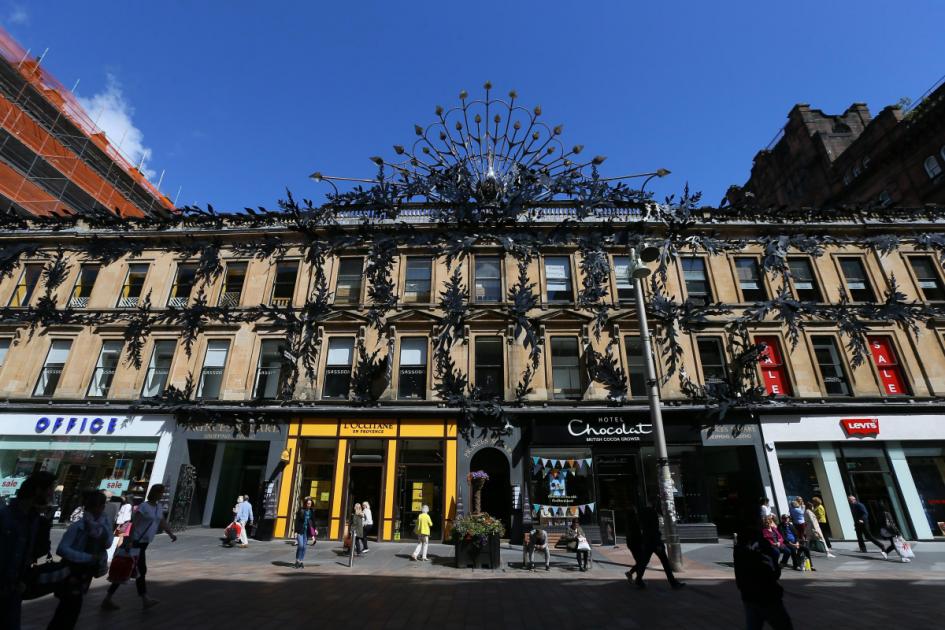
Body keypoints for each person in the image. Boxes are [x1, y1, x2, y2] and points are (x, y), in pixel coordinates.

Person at [101, 484, 177, 611]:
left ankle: (109, 598)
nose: (162, 495)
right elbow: (134, 523)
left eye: (162, 492)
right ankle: (143, 599)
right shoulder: (144, 506)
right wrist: (129, 539)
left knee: (130, 570)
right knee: (138, 570)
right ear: (154, 493)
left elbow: (162, 522)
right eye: (160, 492)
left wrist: (171, 533)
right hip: (136, 542)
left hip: (144, 543)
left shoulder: (158, 507)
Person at [47, 490, 113, 630]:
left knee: (70, 607)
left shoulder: (103, 525)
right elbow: (62, 549)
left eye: (100, 506)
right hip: (72, 570)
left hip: (87, 571)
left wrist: (105, 530)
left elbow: (107, 544)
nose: (99, 509)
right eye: (97, 506)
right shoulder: (79, 526)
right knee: (70, 607)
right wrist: (88, 557)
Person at [0, 471, 56, 630]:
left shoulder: (35, 520)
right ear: (38, 491)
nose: (52, 494)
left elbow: (38, 551)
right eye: (50, 490)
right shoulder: (4, 515)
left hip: (14, 588)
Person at [734, 510, 794, 630]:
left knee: (753, 625)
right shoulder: (761, 543)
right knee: (783, 625)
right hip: (766, 595)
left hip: (748, 594)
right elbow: (772, 570)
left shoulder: (739, 547)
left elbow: (739, 573)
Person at [633, 501, 685, 589]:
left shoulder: (642, 514)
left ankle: (638, 579)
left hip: (647, 541)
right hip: (655, 542)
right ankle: (673, 583)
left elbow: (644, 528)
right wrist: (658, 543)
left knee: (644, 561)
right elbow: (654, 529)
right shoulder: (652, 513)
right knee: (665, 562)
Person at [293, 497, 315, 569]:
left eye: (310, 504)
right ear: (305, 503)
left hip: (306, 531)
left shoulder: (312, 511)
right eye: (308, 503)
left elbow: (313, 522)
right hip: (300, 530)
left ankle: (301, 561)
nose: (309, 505)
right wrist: (296, 531)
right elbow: (297, 521)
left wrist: (314, 530)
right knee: (301, 546)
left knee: (304, 547)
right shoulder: (301, 510)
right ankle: (297, 560)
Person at [624, 505, 644, 583]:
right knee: (641, 562)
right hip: (636, 543)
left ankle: (634, 576)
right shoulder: (635, 521)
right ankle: (637, 579)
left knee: (640, 561)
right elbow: (637, 533)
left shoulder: (628, 521)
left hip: (632, 544)